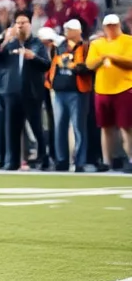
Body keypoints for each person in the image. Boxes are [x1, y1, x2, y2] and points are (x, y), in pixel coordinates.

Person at [0, 12, 51, 170]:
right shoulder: (9, 44)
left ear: (30, 24)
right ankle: (12, 161)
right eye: (18, 22)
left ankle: (44, 159)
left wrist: (34, 57)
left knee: (37, 128)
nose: (20, 25)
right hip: (11, 93)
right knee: (12, 129)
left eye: (24, 22)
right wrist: (2, 40)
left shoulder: (37, 44)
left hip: (32, 93)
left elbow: (47, 64)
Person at [85, 14, 132, 172]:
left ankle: (130, 159)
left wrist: (111, 56)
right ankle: (107, 161)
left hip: (124, 87)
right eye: (108, 26)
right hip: (102, 89)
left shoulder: (128, 40)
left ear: (119, 25)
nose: (111, 28)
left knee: (126, 126)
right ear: (104, 27)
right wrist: (103, 58)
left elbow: (130, 62)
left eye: (114, 25)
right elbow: (90, 64)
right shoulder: (97, 44)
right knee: (105, 127)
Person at [48, 19, 92, 171]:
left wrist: (76, 67)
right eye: (66, 28)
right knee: (59, 127)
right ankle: (61, 161)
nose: (67, 31)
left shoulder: (86, 47)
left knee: (78, 127)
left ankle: (80, 162)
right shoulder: (60, 46)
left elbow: (91, 67)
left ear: (78, 31)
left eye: (70, 29)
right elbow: (53, 65)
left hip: (77, 90)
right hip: (60, 90)